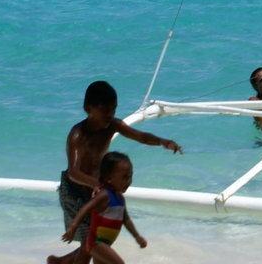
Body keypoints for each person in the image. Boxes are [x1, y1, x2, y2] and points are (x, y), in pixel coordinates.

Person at [59, 81, 181, 237]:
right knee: (90, 238)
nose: (110, 114)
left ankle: (61, 261)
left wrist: (163, 142)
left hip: (96, 187)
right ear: (88, 108)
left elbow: (140, 136)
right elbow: (73, 172)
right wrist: (97, 184)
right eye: (105, 110)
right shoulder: (78, 134)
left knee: (98, 237)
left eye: (114, 109)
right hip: (74, 189)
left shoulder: (113, 125)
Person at [51, 151, 146, 264]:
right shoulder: (105, 195)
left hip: (106, 243)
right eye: (124, 177)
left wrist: (137, 236)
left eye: (130, 176)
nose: (129, 181)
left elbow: (126, 220)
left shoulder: (120, 198)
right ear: (109, 178)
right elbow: (86, 208)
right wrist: (73, 227)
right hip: (96, 243)